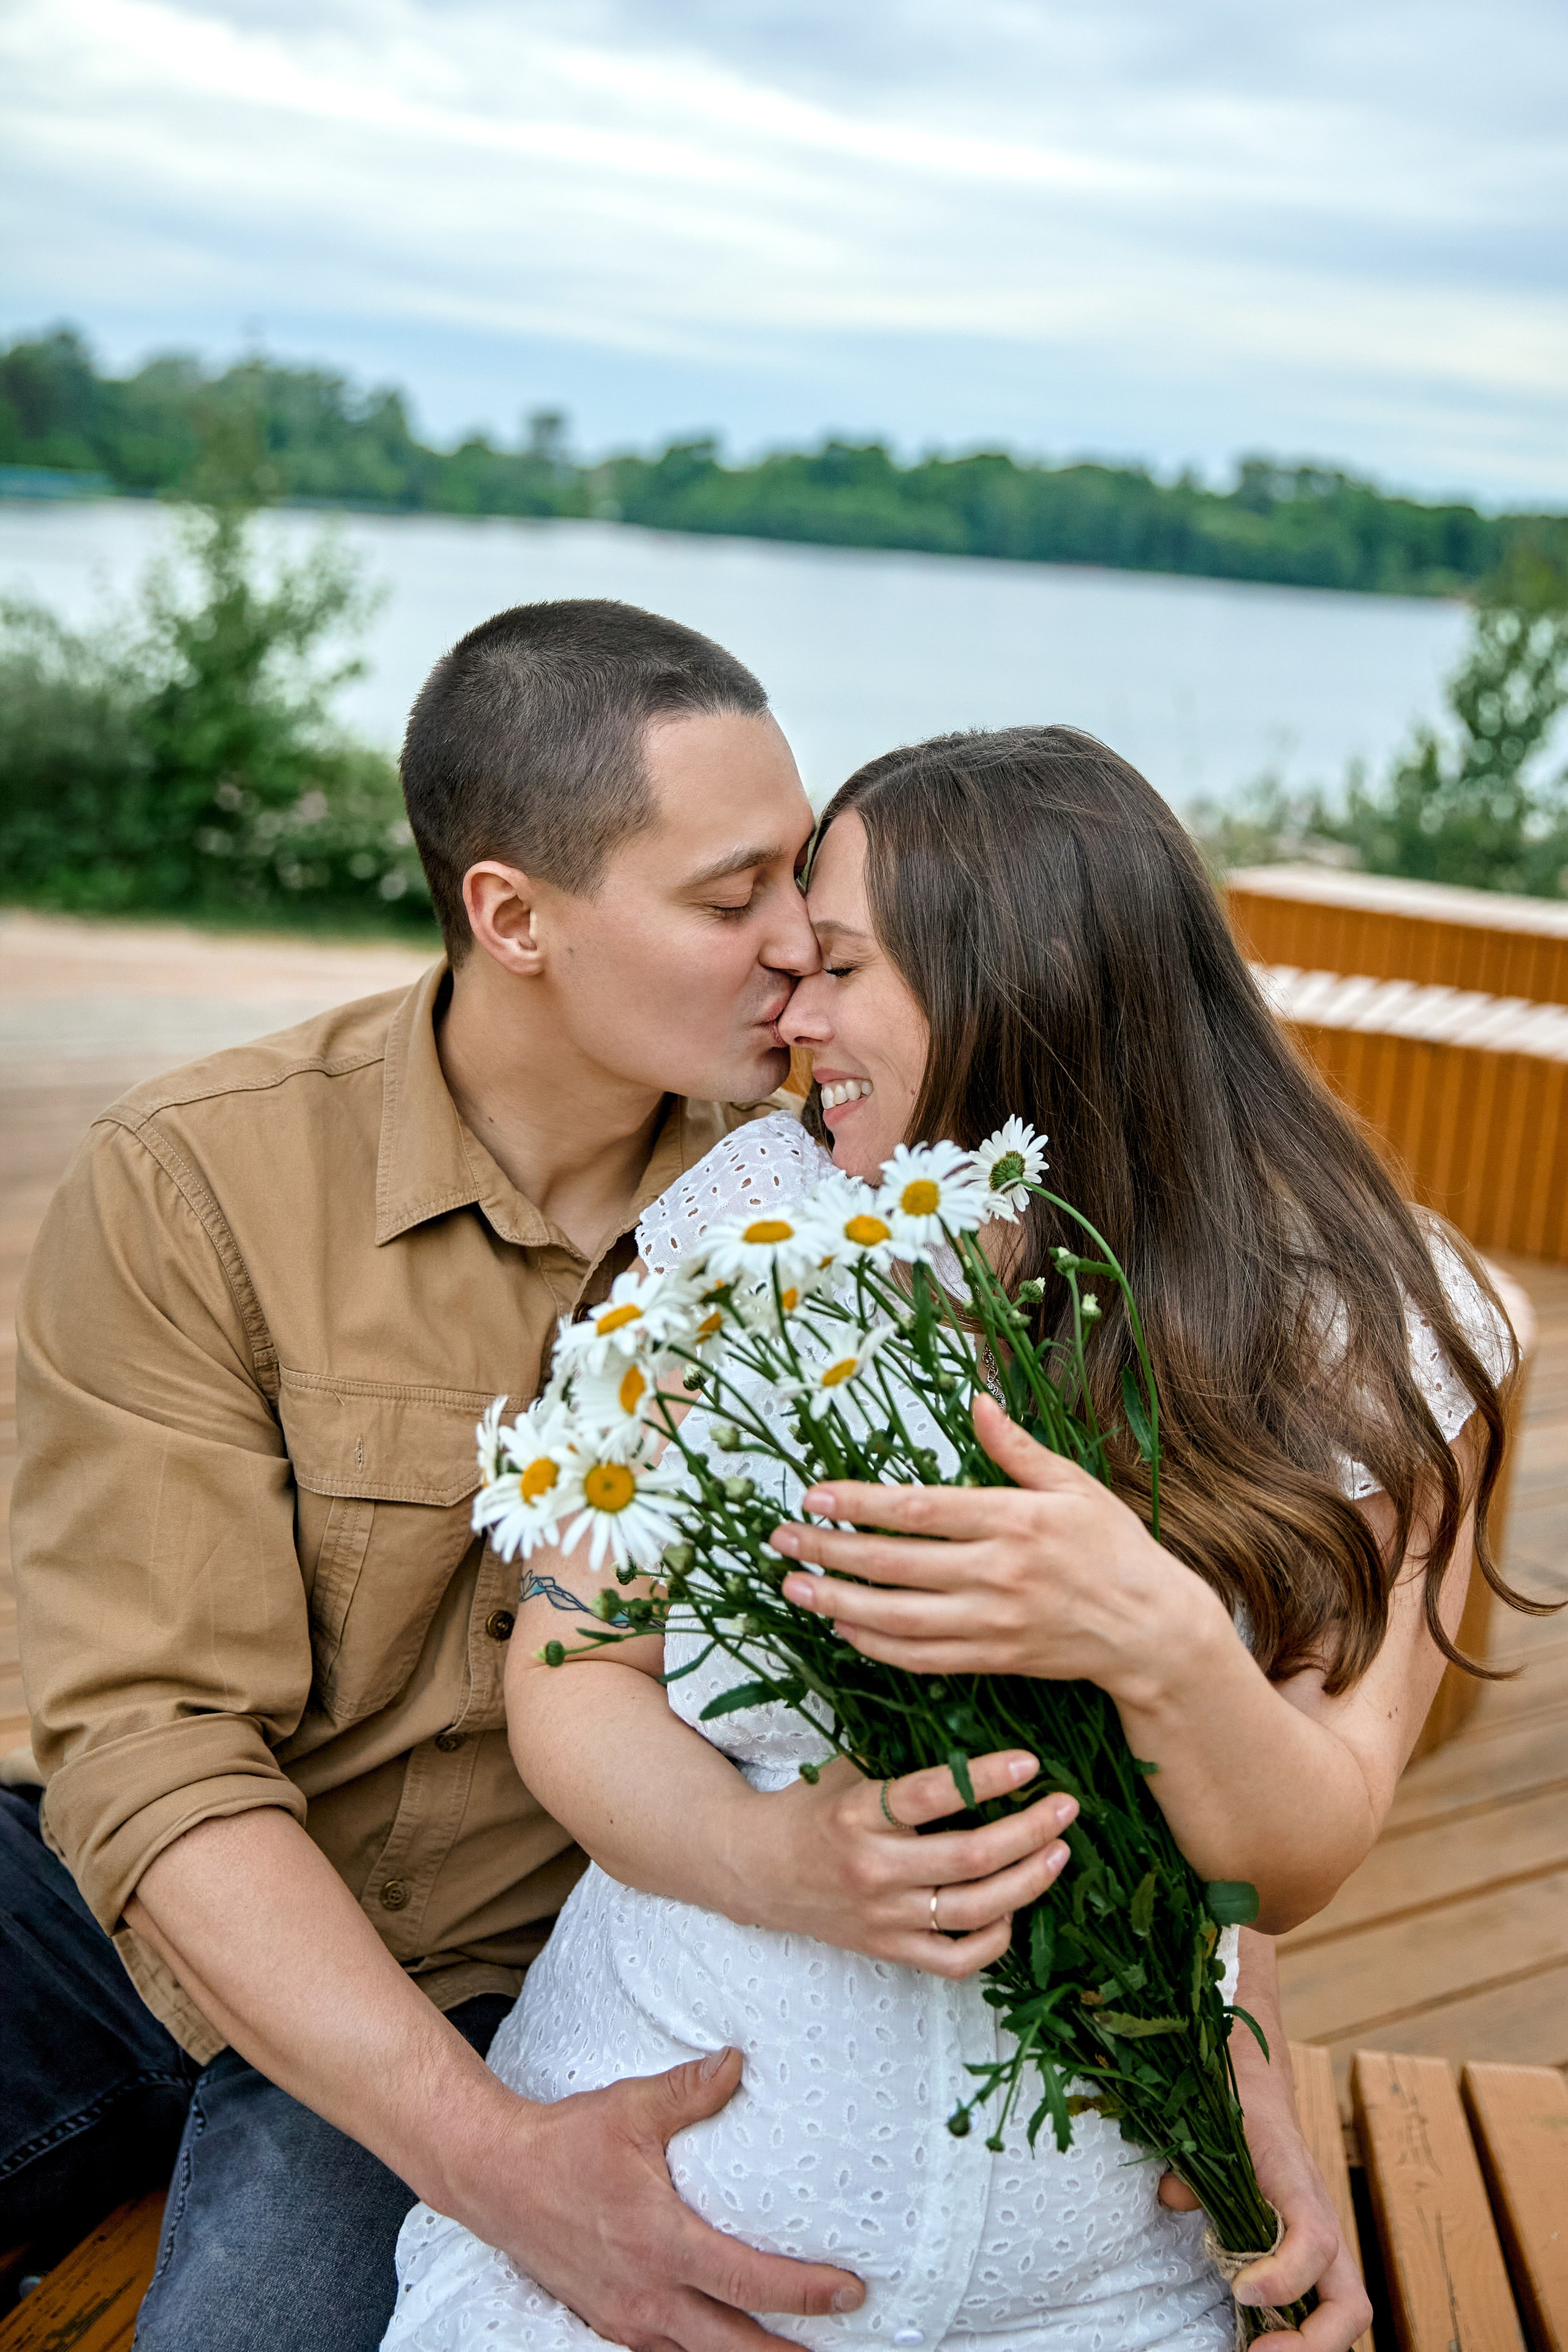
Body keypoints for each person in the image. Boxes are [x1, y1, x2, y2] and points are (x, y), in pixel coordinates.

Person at [7, 613, 1359, 2352]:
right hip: (191, 1903)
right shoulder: (201, 1185)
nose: (804, 948)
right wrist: (495, 2165)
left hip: (529, 1980)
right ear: (514, 920)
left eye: (803, 882)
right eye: (733, 906)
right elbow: (152, 1748)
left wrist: (1224, 2050)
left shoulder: (860, 1173)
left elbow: (1133, 1661)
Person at [382, 725, 1523, 2351]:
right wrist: (774, 1861)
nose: (793, 1018)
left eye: (838, 966)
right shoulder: (737, 1238)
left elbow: (1293, 1866)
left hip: (1107, 2285)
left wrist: (1161, 1637)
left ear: (1022, 977)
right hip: (647, 2232)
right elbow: (573, 1676)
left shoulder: (1396, 1328)